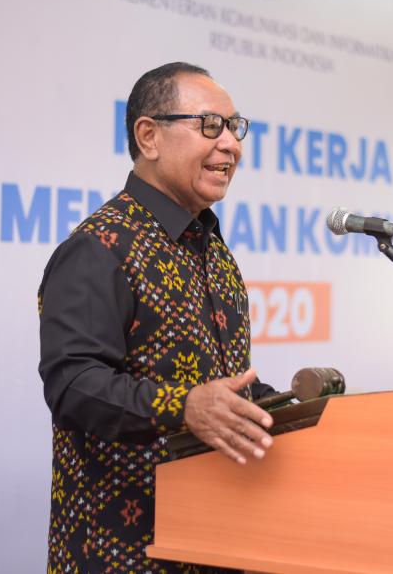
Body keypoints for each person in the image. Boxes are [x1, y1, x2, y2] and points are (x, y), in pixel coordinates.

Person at [38, 62, 277, 573]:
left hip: (216, 543)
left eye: (235, 127)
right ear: (149, 136)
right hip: (125, 553)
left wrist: (307, 408)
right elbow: (73, 385)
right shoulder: (99, 247)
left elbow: (219, 387)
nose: (231, 144)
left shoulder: (213, 250)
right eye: (210, 125)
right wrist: (183, 407)